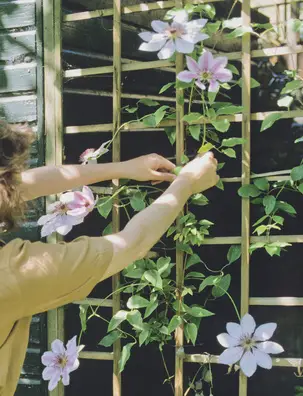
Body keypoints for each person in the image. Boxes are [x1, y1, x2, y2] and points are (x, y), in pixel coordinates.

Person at [0, 120, 219, 395]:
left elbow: (24, 184)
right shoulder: (12, 274)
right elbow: (129, 244)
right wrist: (187, 182)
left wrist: (122, 168)